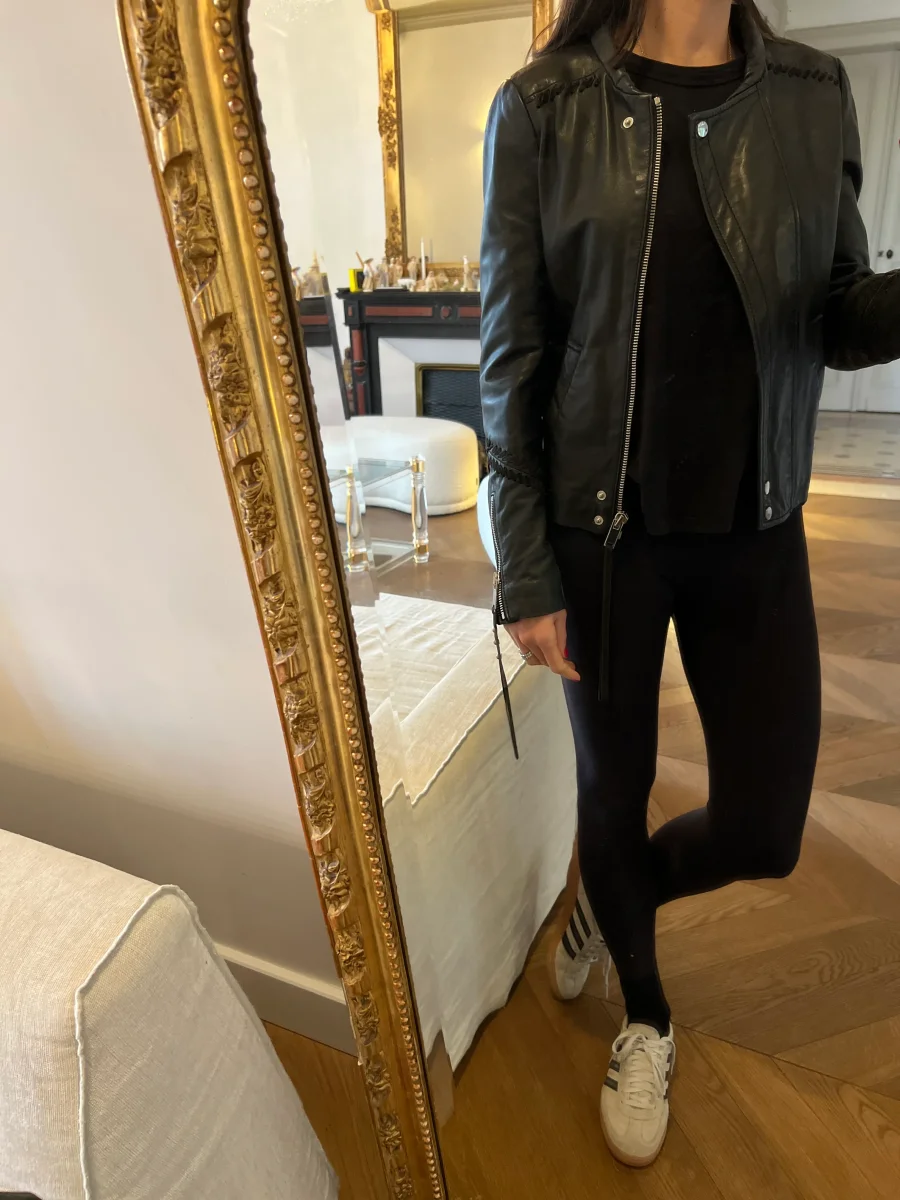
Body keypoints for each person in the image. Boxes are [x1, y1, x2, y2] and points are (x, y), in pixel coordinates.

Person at [480, 0, 900, 1170]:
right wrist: (523, 566)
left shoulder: (812, 94)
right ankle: (648, 1015)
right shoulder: (545, 107)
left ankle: (609, 902)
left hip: (755, 524)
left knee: (768, 828)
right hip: (600, 536)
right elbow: (512, 356)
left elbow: (837, 313)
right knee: (613, 788)